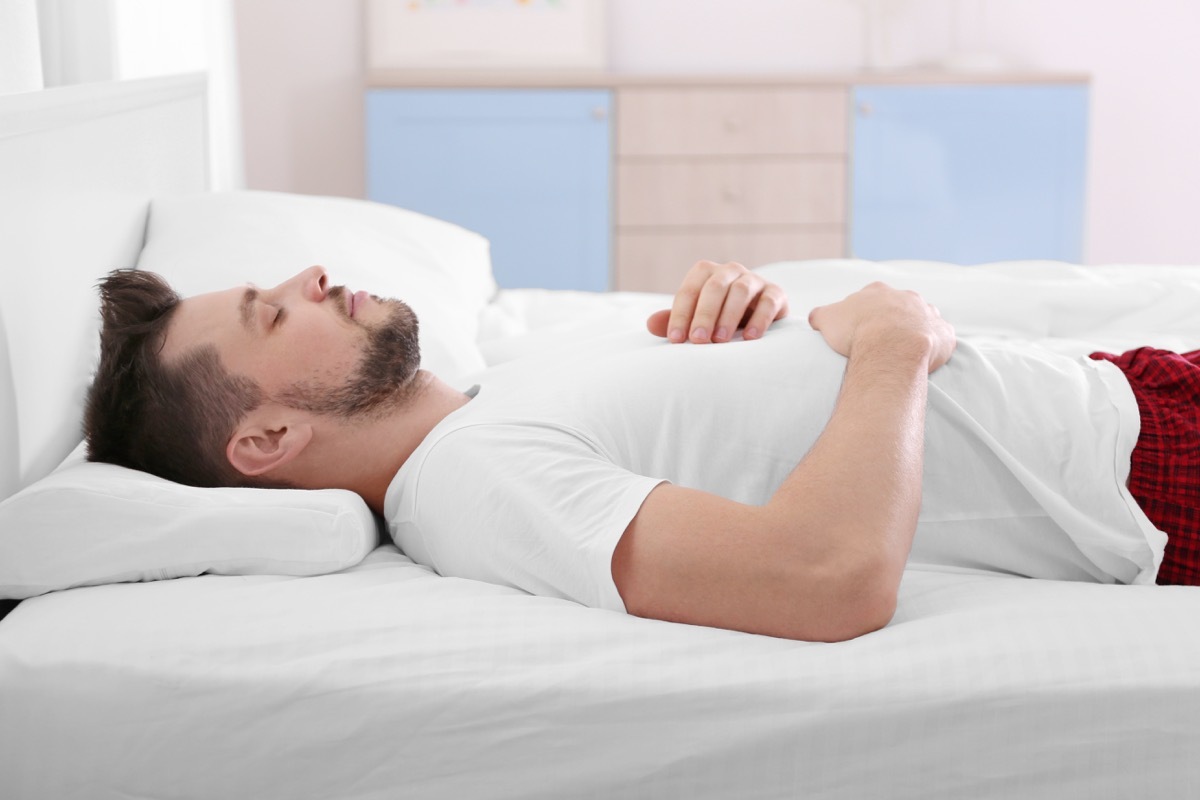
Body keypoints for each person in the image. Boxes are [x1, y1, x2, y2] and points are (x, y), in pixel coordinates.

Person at [85, 261, 1197, 642]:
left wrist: (762, 314)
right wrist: (893, 344)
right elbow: (825, 578)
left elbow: (729, 425)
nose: (312, 276)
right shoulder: (472, 482)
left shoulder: (487, 404)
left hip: (1120, 386)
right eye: (273, 314)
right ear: (268, 437)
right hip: (1141, 469)